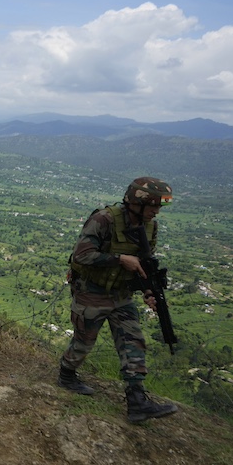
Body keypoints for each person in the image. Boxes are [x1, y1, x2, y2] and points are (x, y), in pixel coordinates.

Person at [57, 177, 180, 423]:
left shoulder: (149, 227)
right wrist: (119, 259)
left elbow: (142, 265)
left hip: (121, 295)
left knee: (133, 340)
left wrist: (148, 291)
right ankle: (67, 375)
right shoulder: (104, 220)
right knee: (83, 342)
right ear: (137, 202)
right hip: (91, 290)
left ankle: (137, 401)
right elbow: (81, 255)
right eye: (153, 206)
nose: (157, 212)